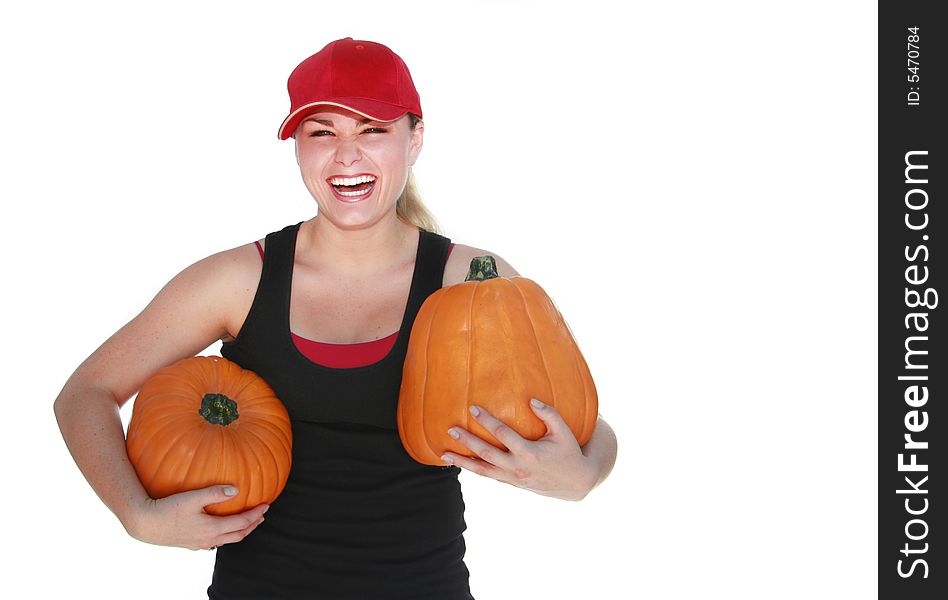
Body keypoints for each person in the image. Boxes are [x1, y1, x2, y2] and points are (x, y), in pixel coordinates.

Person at [53, 37, 618, 599]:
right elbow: (86, 392)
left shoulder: (471, 279)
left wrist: (584, 475)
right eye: (322, 132)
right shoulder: (236, 281)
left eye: (373, 129)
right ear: (298, 146)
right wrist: (136, 515)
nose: (347, 156)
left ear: (414, 139)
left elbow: (584, 425)